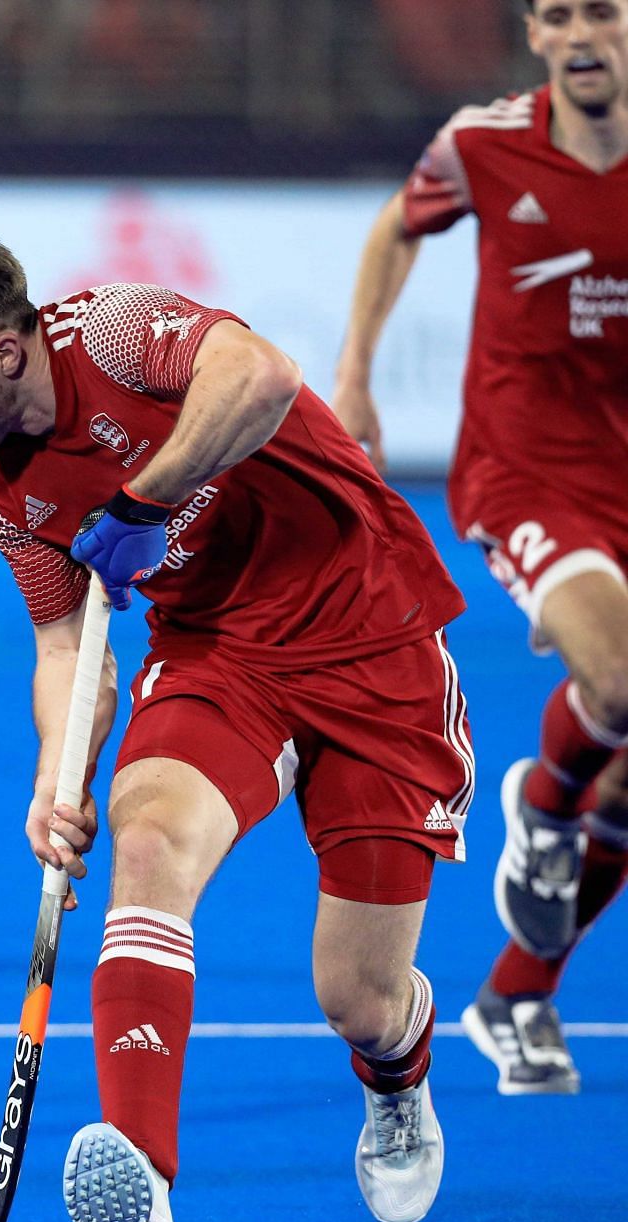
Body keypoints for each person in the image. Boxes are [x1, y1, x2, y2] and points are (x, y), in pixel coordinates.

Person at [0, 226, 474, 1222]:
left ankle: (397, 1070)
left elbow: (261, 377)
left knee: (357, 997)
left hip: (376, 648)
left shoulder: (118, 333)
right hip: (218, 660)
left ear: (1, 351)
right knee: (148, 841)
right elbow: (63, 648)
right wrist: (59, 777)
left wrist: (142, 501)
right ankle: (145, 1179)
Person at [333, 0, 628, 1096]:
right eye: (558, 14)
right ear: (536, 34)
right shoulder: (486, 144)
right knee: (622, 678)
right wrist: (356, 370)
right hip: (529, 471)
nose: (581, 31)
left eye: (602, 8)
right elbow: (395, 228)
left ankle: (515, 994)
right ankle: (543, 810)